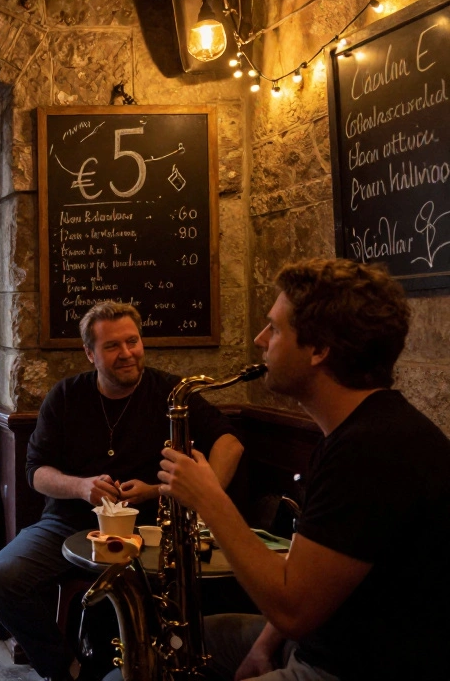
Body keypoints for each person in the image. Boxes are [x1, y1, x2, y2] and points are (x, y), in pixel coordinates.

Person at [156, 258, 450, 681]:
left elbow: (293, 609)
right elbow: (312, 571)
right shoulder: (356, 431)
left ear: (318, 349)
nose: (260, 340)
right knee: (171, 642)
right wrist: (262, 648)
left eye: (274, 329)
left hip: (350, 666)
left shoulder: (371, 451)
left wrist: (209, 499)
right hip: (323, 643)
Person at [0, 301, 244, 681]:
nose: (127, 354)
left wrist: (190, 495)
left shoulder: (170, 393)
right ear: (90, 353)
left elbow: (230, 443)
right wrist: (82, 487)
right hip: (70, 525)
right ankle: (64, 671)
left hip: (152, 530)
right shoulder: (66, 395)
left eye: (132, 341)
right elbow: (35, 472)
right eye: (112, 346)